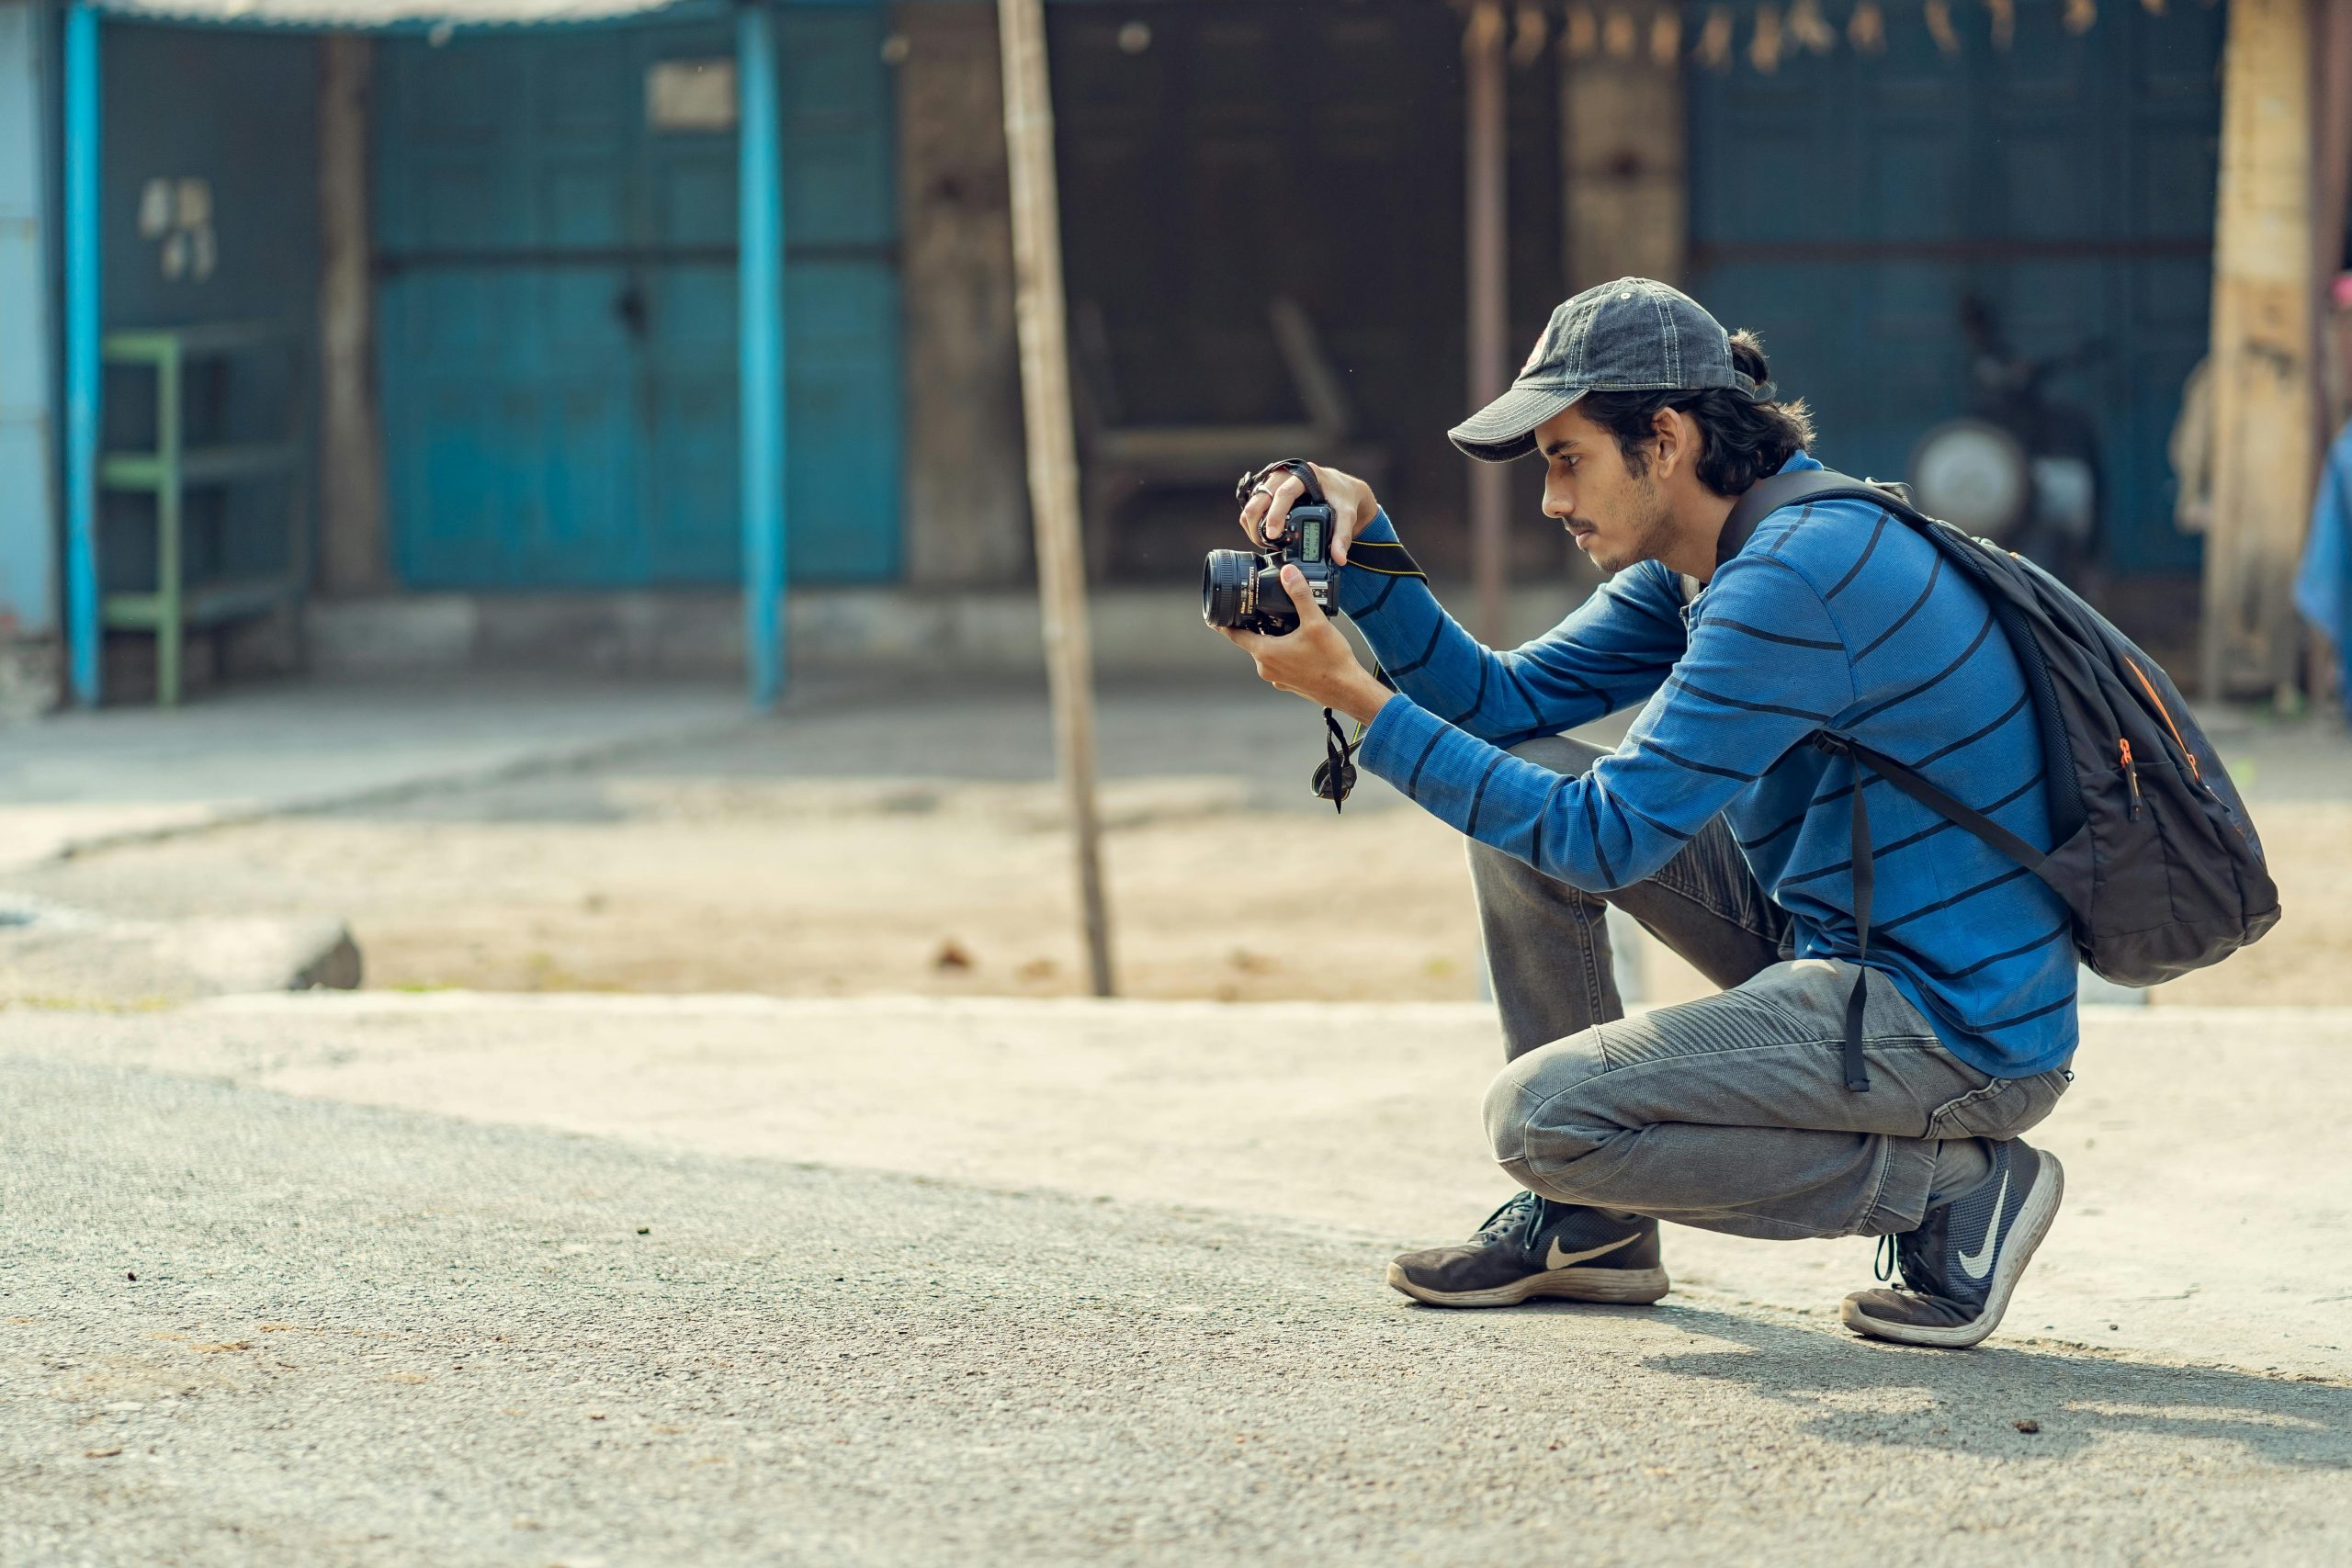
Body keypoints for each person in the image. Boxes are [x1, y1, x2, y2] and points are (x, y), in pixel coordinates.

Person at [1217, 278, 2075, 1349]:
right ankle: (1593, 1233)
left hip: (1947, 1027)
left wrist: (1355, 699)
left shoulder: (1796, 576)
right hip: (1837, 944)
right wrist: (1367, 538)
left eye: (1566, 459)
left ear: (1661, 441)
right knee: (1517, 770)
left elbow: (1603, 836)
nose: (1551, 500)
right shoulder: (1710, 555)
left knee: (1544, 1116)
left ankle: (1950, 1191)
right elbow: (1499, 708)